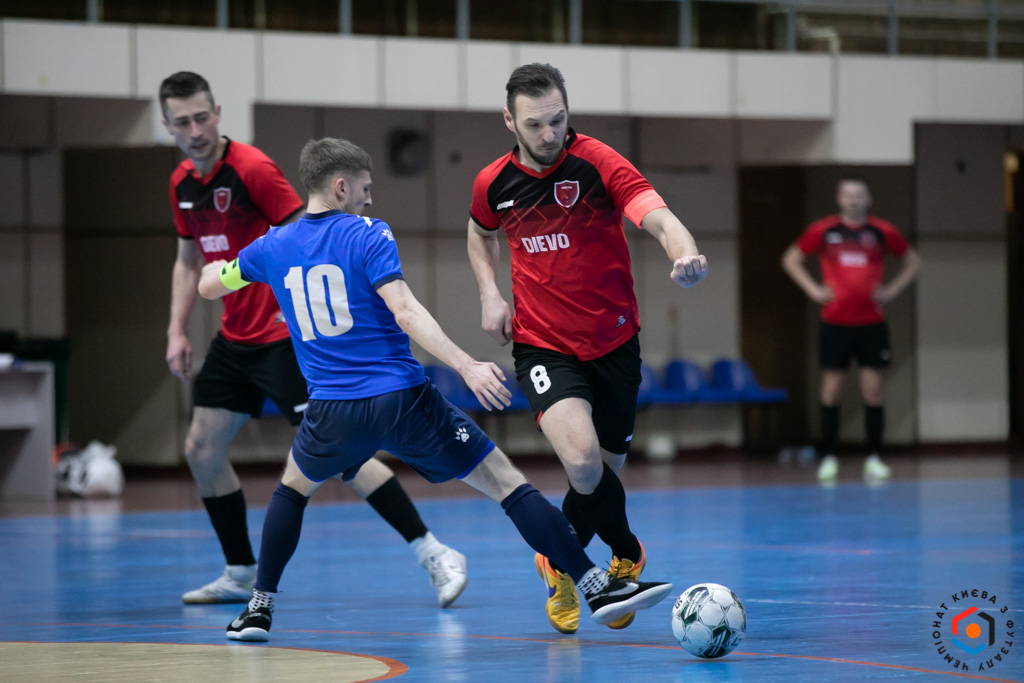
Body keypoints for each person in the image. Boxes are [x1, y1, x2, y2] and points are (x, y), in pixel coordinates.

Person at [196, 137, 673, 642]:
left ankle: (259, 608)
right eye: (364, 188)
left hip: (331, 410)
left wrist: (217, 268)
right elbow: (405, 311)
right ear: (340, 187)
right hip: (401, 399)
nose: (369, 199)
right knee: (506, 483)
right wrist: (465, 365)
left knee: (292, 490)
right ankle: (594, 585)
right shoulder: (368, 234)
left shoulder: (271, 246)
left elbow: (211, 285)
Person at [161, 71, 466, 607]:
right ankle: (239, 571)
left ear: (218, 113)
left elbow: (308, 234)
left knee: (346, 457)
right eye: (182, 122)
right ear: (168, 127)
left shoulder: (252, 169)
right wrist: (175, 328)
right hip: (235, 338)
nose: (195, 130)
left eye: (202, 117)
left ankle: (432, 550)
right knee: (201, 448)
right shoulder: (181, 184)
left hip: (287, 338)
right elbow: (189, 261)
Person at [465, 63, 708, 634]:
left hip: (615, 342)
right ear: (510, 122)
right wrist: (489, 294)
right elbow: (479, 232)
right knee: (581, 460)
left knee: (597, 476)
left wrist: (685, 253)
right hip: (543, 345)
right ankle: (623, 552)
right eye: (535, 124)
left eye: (558, 120)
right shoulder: (493, 182)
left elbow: (658, 217)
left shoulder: (598, 162)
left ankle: (556, 562)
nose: (549, 134)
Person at [781, 176, 920, 483]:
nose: (854, 200)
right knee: (831, 390)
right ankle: (829, 458)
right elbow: (791, 259)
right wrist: (814, 290)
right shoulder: (824, 230)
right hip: (834, 323)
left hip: (872, 324)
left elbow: (912, 261)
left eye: (859, 195)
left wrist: (892, 290)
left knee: (872, 390)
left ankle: (874, 458)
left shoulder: (882, 231)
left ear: (868, 200)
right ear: (839, 199)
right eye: (848, 195)